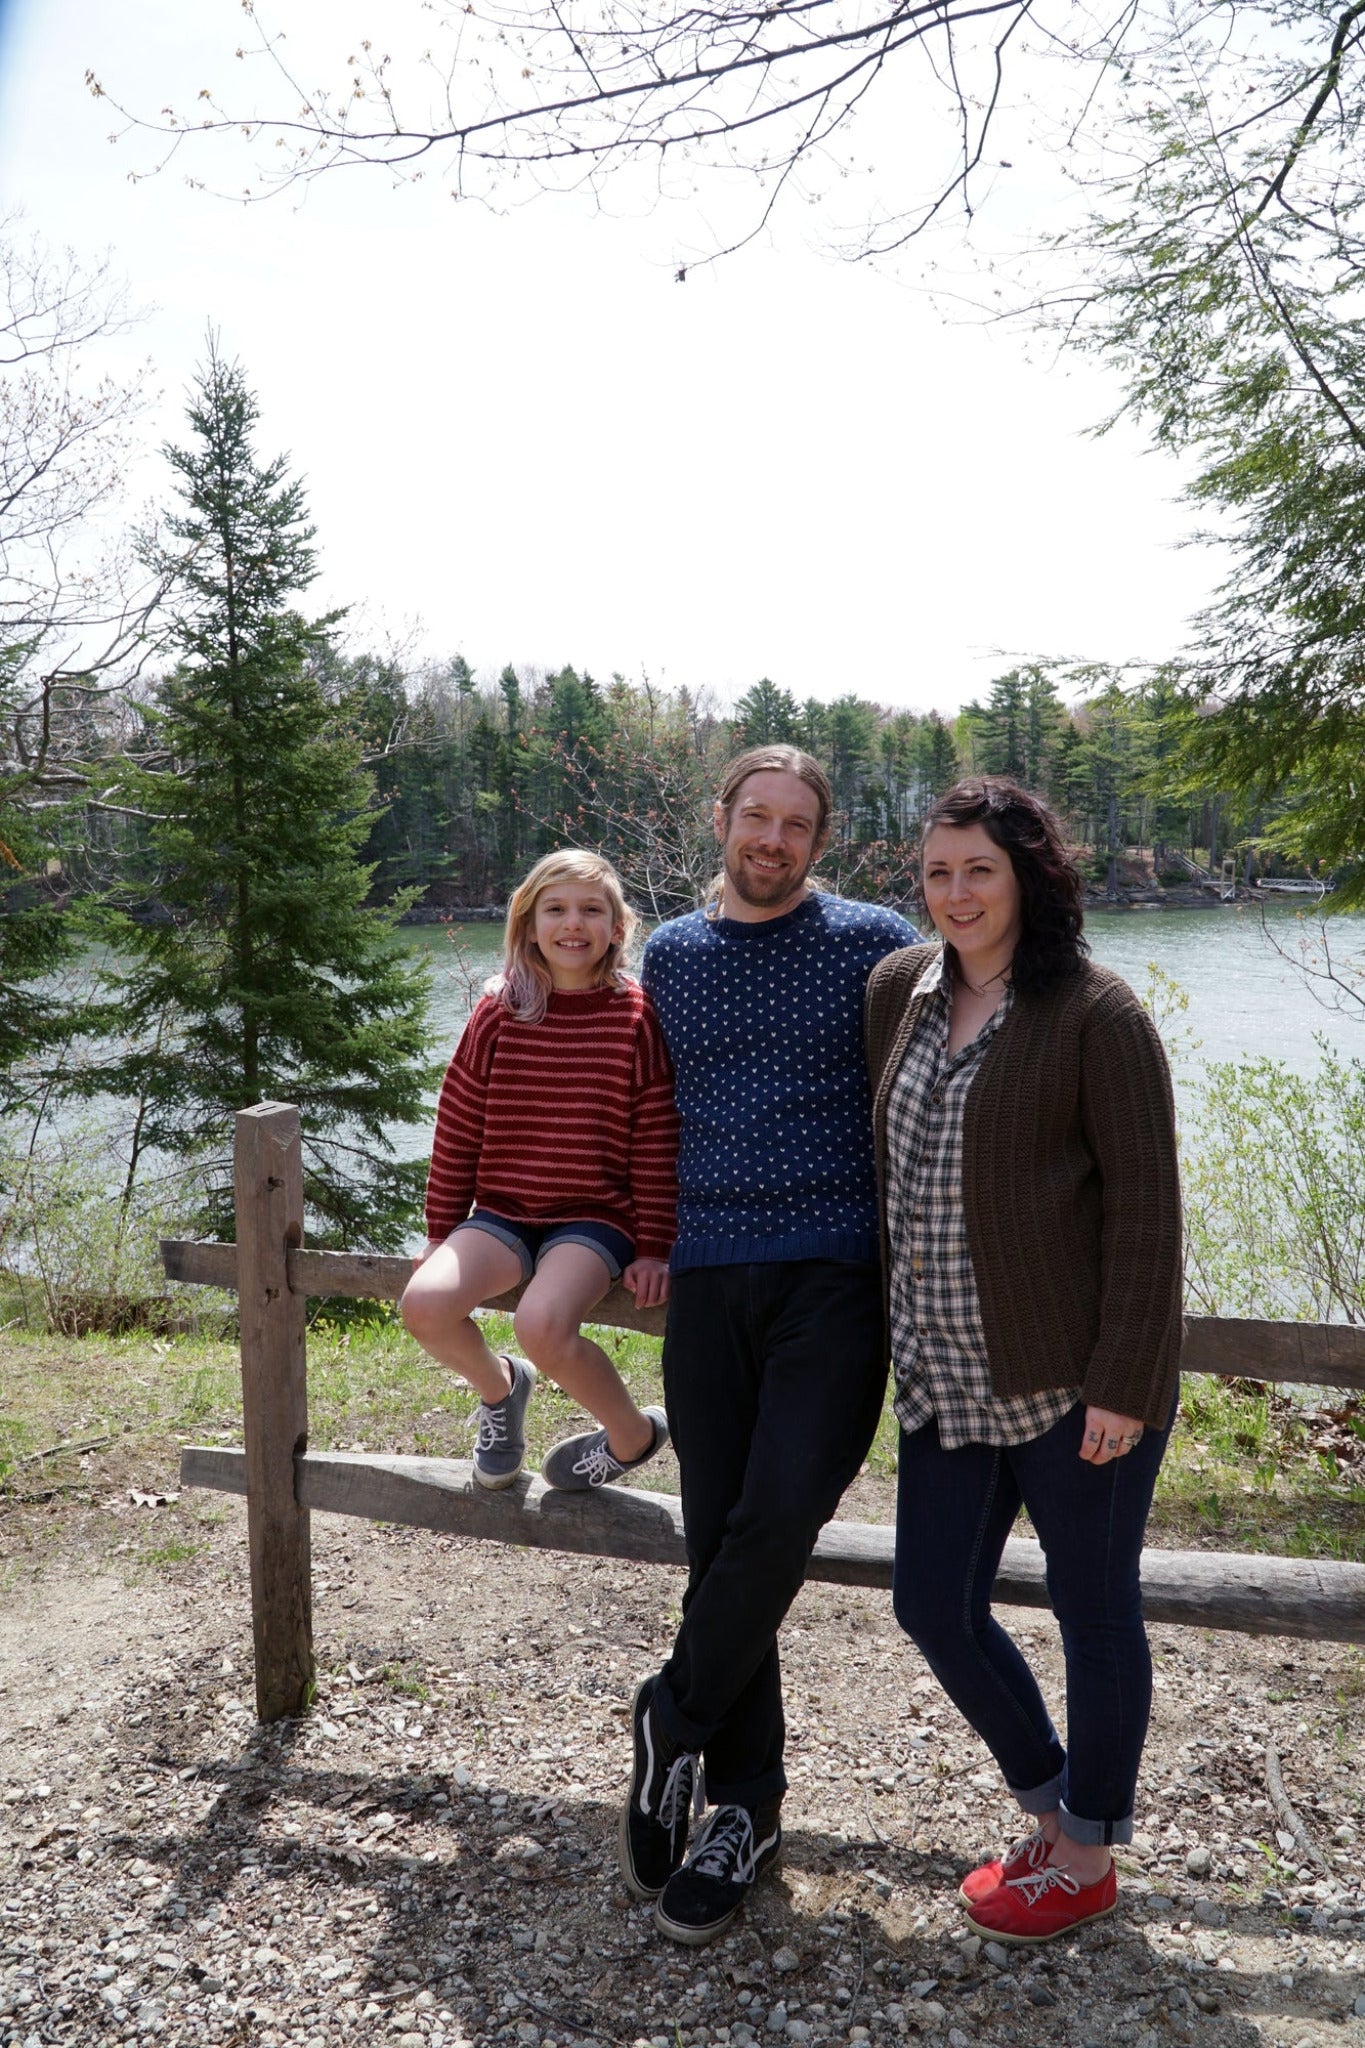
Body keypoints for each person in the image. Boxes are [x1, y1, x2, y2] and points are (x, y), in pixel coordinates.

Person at [863, 776, 1183, 1945]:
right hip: (943, 1369)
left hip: (1070, 1384)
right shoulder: (897, 988)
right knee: (932, 1603)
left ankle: (1088, 1850)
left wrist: (1126, 1384)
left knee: (1093, 1609)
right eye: (939, 870)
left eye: (980, 870)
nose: (956, 892)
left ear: (1028, 875)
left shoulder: (1098, 1012)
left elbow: (1148, 1213)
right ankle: (1049, 1800)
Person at [620, 745, 921, 1945]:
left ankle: (671, 1713)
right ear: (723, 820)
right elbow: (640, 1100)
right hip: (706, 1272)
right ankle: (746, 1804)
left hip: (838, 1272)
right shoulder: (673, 954)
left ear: (820, 839)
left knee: (783, 1511)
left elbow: (955, 1065)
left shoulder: (875, 942)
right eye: (757, 816)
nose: (774, 838)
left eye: (798, 823)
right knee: (720, 1533)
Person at [401, 849, 679, 1492]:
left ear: (617, 927)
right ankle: (502, 1391)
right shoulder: (500, 1009)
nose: (572, 924)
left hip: (595, 1219)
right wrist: (441, 1231)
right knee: (425, 1305)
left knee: (542, 1325)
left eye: (591, 910)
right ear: (528, 925)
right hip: (502, 1214)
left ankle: (633, 1434)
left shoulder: (635, 1016)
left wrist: (654, 1248)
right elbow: (459, 1123)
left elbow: (657, 1140)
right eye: (555, 909)